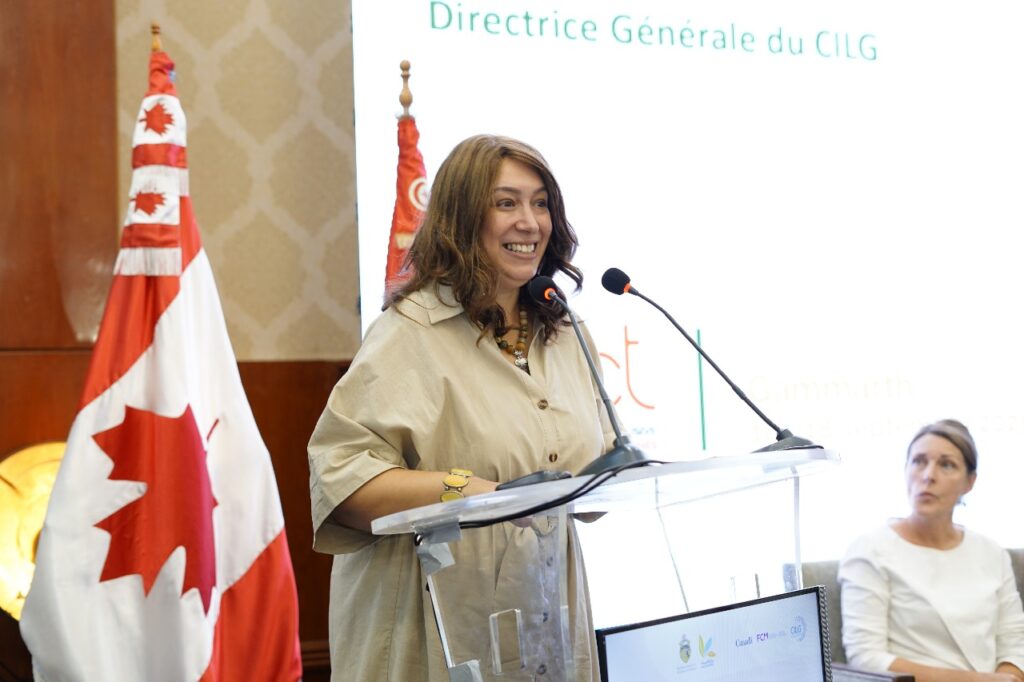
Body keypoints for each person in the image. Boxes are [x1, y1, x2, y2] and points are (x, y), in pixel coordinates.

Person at [307, 134, 614, 680]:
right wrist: (470, 493)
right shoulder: (409, 333)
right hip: (432, 626)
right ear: (463, 218)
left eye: (541, 203)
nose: (530, 223)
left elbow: (595, 482)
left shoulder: (566, 332)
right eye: (506, 203)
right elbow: (343, 484)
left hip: (543, 622)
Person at [838, 419, 1024, 681]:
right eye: (919, 461)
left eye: (946, 465)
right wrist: (981, 681)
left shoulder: (992, 553)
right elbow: (866, 658)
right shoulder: (871, 550)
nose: (928, 476)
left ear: (970, 482)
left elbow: (1015, 647)